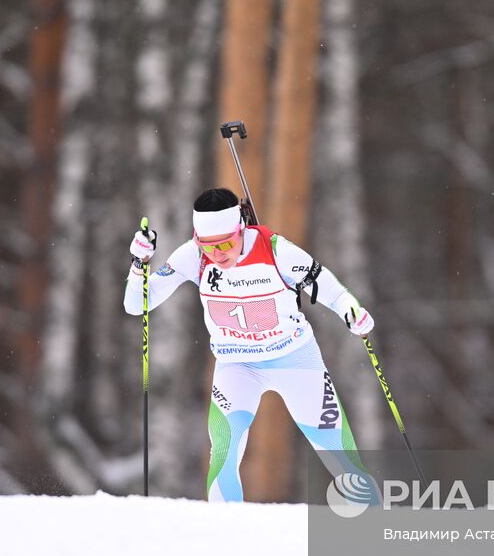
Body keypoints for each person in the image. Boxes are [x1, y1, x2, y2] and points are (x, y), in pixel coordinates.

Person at [123, 186, 377, 502]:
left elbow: (330, 289)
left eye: (226, 243)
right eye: (208, 245)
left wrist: (351, 311)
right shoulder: (191, 256)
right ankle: (226, 538)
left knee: (340, 456)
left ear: (241, 228)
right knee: (223, 450)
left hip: (295, 359)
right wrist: (139, 264)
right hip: (236, 365)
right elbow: (136, 303)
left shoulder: (275, 250)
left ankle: (376, 532)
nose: (217, 254)